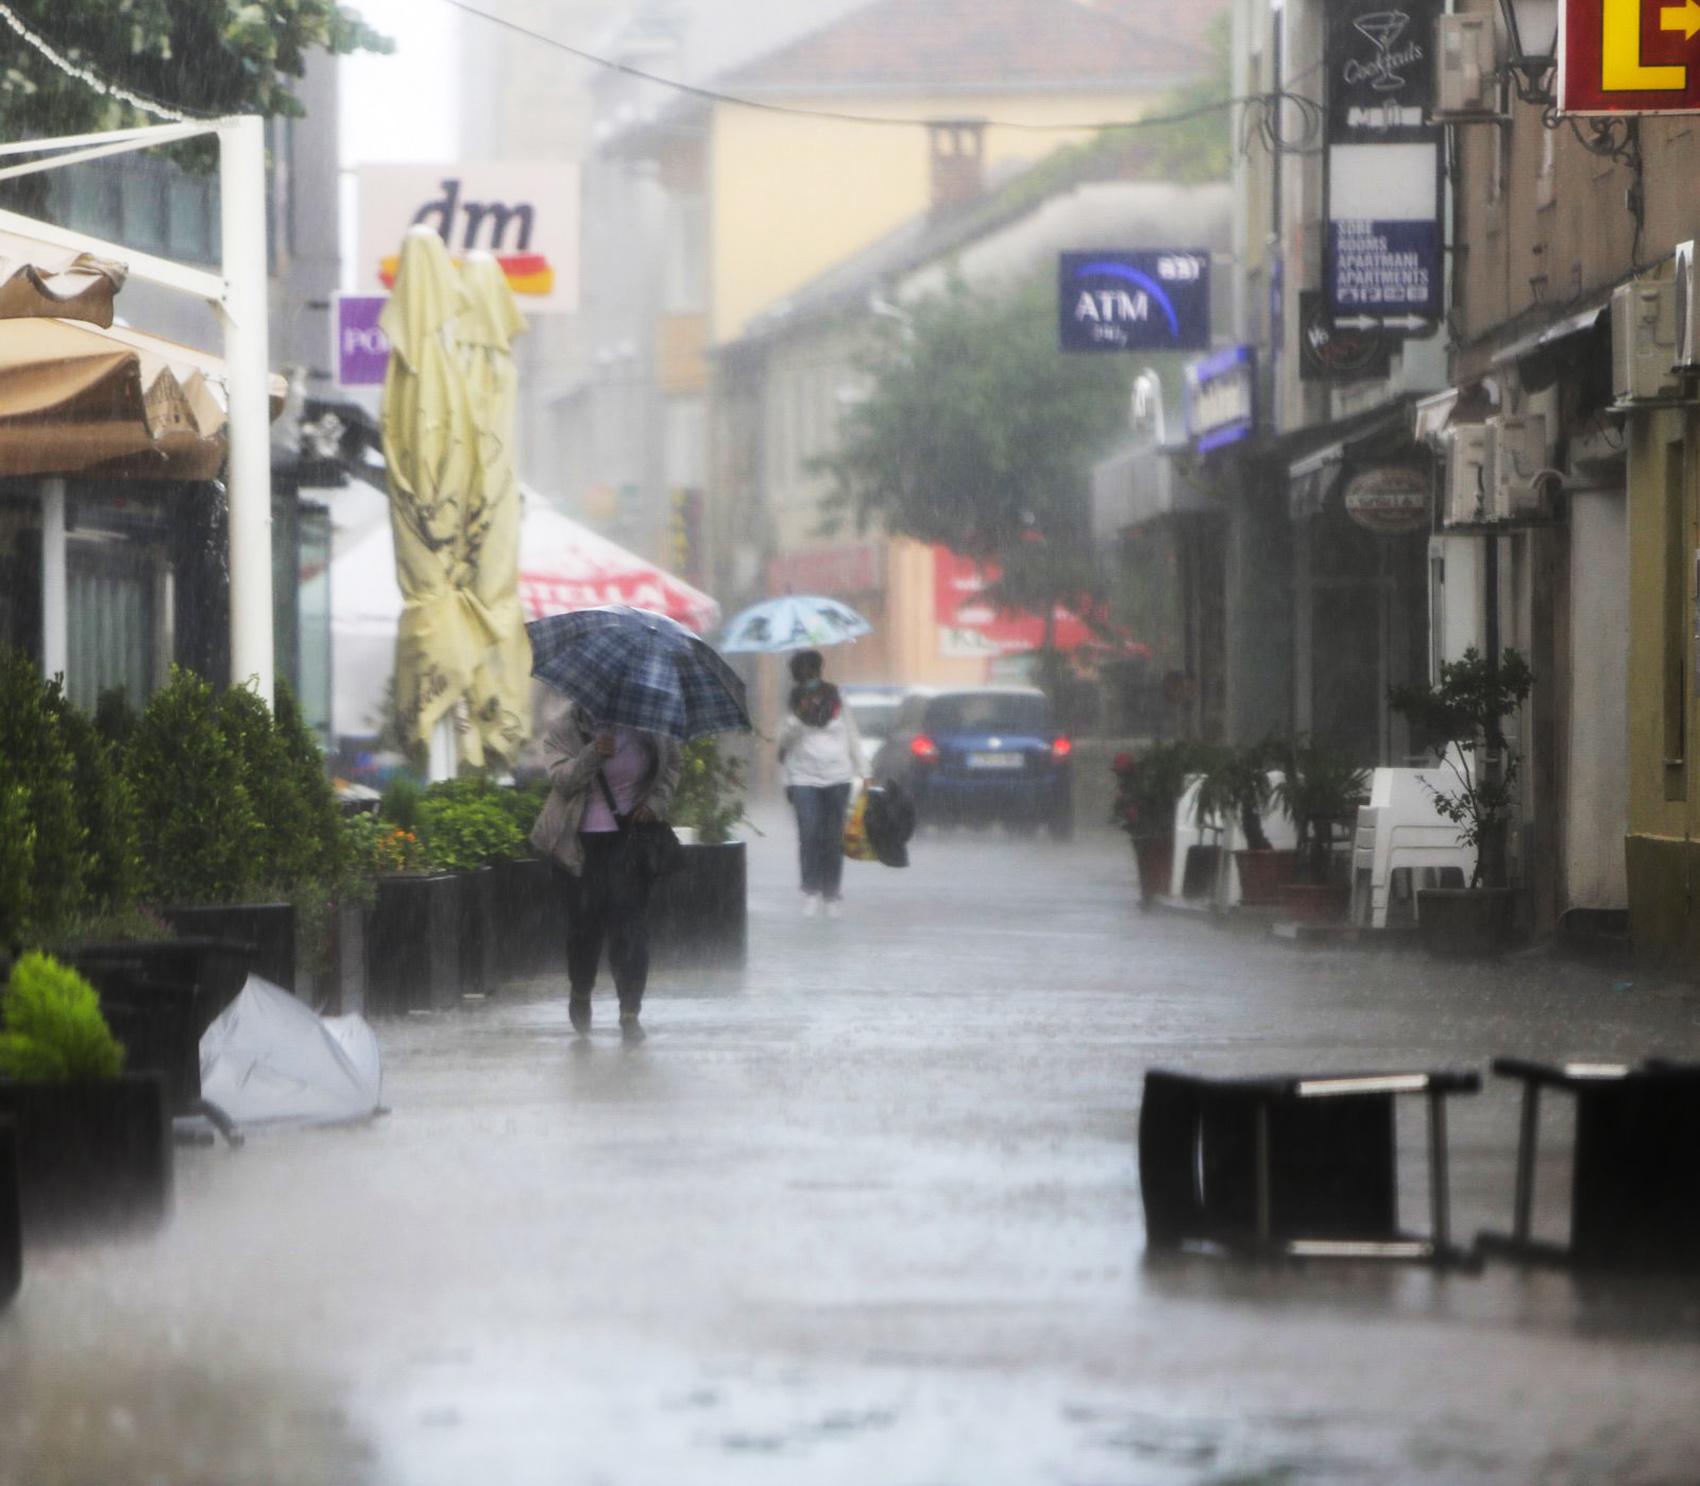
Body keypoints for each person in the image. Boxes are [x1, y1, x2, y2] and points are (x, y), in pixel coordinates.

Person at [530, 703, 682, 1042]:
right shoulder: (564, 727)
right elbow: (561, 780)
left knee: (631, 930)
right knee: (585, 930)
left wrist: (655, 804)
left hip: (630, 842)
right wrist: (592, 754)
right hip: (580, 847)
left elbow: (672, 765)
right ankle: (581, 991)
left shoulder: (651, 725)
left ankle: (630, 1012)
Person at [777, 649, 866, 918]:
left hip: (837, 776)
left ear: (819, 672)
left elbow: (851, 734)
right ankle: (811, 891)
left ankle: (831, 894)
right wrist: (797, 718)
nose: (809, 679)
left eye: (812, 673)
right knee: (810, 834)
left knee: (832, 838)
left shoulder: (837, 698)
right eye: (803, 675)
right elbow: (782, 741)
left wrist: (864, 770)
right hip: (802, 778)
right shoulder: (792, 701)